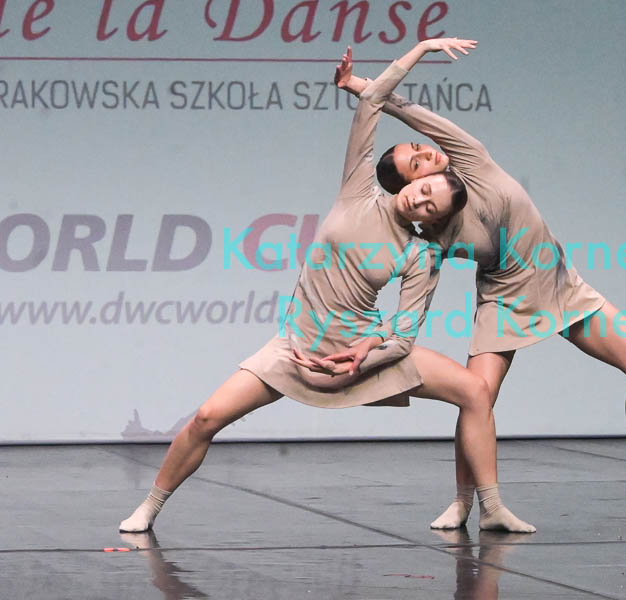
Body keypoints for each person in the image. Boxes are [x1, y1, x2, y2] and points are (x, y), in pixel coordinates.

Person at [119, 37, 535, 535]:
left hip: (359, 354)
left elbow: (404, 336)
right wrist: (421, 48)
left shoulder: (422, 254)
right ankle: (148, 509)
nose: (421, 201)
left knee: (474, 391)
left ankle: (489, 507)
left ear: (436, 220)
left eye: (432, 207)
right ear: (409, 182)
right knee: (207, 417)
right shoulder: (357, 192)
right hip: (298, 348)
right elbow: (373, 100)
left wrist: (364, 353)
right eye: (422, 188)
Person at [334, 48, 626, 528]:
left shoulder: (471, 160)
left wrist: (359, 85)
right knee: (475, 396)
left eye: (419, 150)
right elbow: (408, 297)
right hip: (503, 301)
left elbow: (412, 113)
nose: (427, 154)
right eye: (416, 165)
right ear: (410, 190)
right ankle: (466, 502)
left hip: (560, 286)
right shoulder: (431, 234)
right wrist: (371, 340)